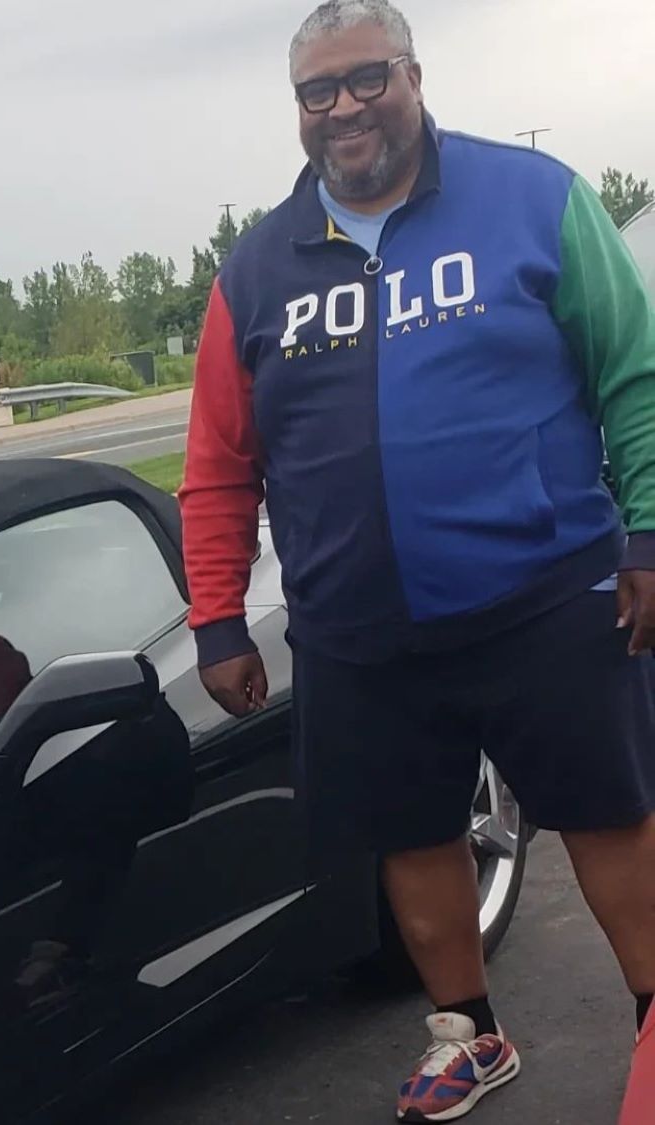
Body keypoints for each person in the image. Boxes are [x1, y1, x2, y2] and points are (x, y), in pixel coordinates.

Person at [178, 1, 655, 1120]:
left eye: (364, 78)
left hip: (544, 596)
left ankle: (651, 1018)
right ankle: (470, 1036)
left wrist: (647, 531)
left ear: (413, 75)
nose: (343, 106)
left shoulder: (533, 199)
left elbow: (633, 375)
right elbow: (216, 465)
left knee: (611, 816)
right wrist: (214, 619)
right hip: (357, 628)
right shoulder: (254, 271)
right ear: (296, 109)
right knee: (412, 839)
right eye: (316, 90)